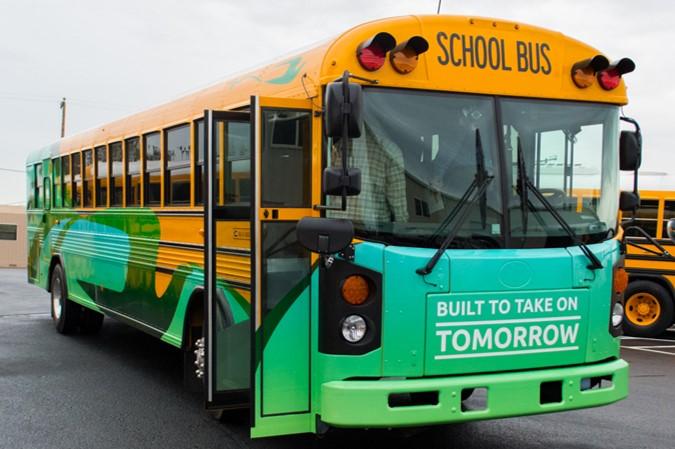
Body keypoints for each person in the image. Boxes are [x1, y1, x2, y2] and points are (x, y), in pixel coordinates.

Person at [327, 123, 409, 229]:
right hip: (374, 237)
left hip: (336, 232)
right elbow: (399, 212)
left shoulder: (334, 146)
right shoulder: (389, 151)